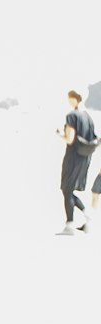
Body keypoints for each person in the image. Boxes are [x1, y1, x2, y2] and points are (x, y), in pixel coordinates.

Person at [58, 89, 97, 234]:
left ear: (74, 99)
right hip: (85, 158)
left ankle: (70, 225)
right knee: (69, 190)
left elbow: (70, 139)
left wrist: (59, 134)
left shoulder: (72, 115)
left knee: (66, 189)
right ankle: (86, 213)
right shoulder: (88, 117)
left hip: (73, 156)